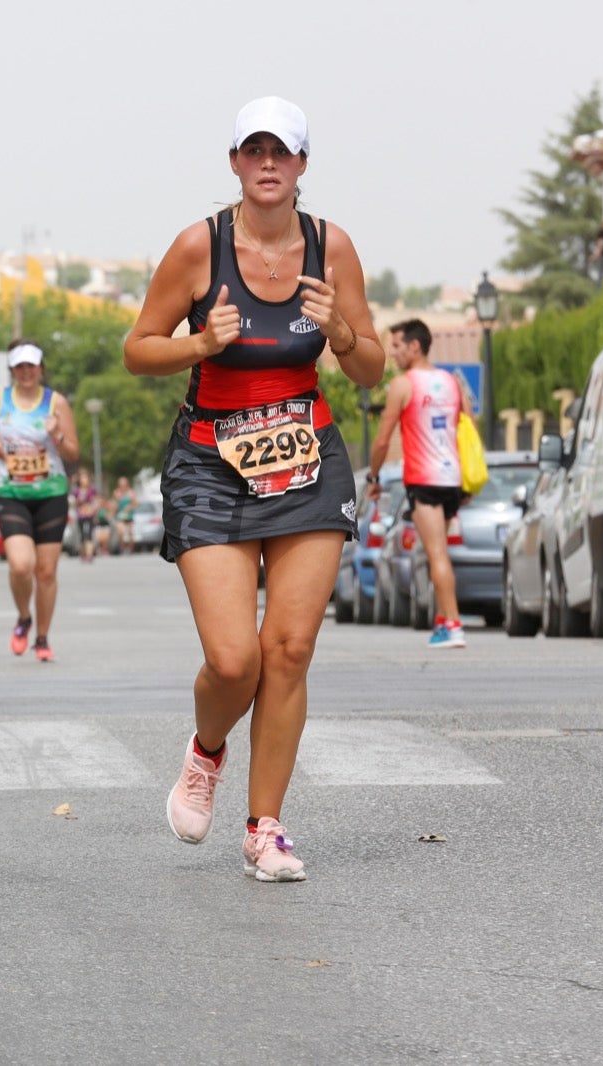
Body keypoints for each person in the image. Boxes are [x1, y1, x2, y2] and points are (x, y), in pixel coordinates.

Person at [124, 96, 382, 882]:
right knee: (235, 661)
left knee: (291, 649)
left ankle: (265, 827)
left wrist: (340, 331)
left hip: (306, 458)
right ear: (234, 163)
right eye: (253, 149)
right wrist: (202, 342)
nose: (268, 162)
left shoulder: (330, 246)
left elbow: (370, 366)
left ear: (302, 165)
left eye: (284, 151)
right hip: (210, 460)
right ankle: (205, 753)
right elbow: (139, 349)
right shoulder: (198, 248)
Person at [366, 319, 466, 648]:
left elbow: (382, 441)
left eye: (396, 346)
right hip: (452, 477)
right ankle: (442, 620)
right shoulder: (451, 382)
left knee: (436, 553)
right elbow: (468, 428)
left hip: (424, 479)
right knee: (437, 552)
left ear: (414, 346)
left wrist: (373, 477)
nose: (392, 353)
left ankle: (452, 624)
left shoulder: (403, 385)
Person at [0, 339, 80, 662]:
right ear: (12, 370)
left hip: (50, 493)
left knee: (46, 572)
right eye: (19, 367)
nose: (26, 372)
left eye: (31, 366)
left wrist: (57, 436)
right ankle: (24, 616)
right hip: (11, 492)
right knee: (21, 566)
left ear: (40, 369)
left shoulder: (56, 403)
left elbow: (73, 453)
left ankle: (42, 637)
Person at [70, 469, 98, 563]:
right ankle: (83, 553)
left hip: (90, 514)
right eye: (82, 478)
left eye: (85, 478)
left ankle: (90, 554)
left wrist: (93, 510)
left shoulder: (92, 490)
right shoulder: (77, 491)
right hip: (80, 515)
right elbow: (73, 502)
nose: (84, 480)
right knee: (82, 534)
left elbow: (96, 501)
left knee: (89, 534)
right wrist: (79, 501)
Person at [112, 476, 137, 554]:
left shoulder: (131, 492)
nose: (122, 485)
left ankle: (130, 548)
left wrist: (129, 507)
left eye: (124, 483)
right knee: (120, 532)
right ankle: (123, 547)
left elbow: (136, 503)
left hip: (129, 515)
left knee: (130, 533)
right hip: (120, 515)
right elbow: (115, 504)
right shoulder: (116, 492)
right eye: (121, 484)